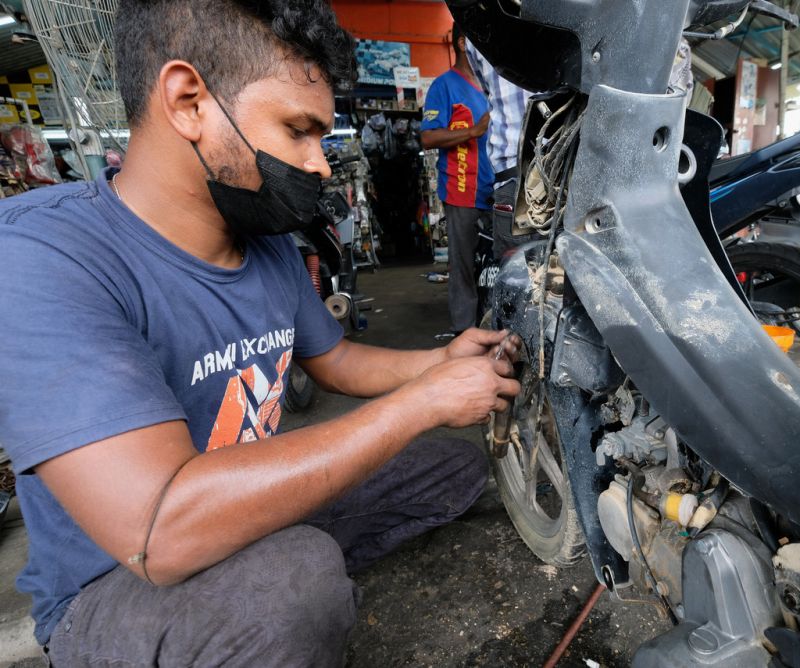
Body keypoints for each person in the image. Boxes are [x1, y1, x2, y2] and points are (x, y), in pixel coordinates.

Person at [0, 1, 520, 665]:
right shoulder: (44, 256)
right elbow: (156, 529)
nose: (322, 165)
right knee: (293, 583)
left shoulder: (263, 240)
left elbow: (335, 360)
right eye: (299, 130)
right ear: (189, 101)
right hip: (115, 582)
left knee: (456, 468)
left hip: (242, 510)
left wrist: (441, 363)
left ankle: (273, 588)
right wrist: (420, 404)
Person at [420, 25, 493, 336]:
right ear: (463, 43)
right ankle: (464, 333)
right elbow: (428, 136)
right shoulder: (443, 86)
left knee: (494, 267)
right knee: (462, 267)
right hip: (462, 191)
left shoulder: (491, 85)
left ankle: (492, 326)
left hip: (497, 190)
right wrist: (472, 132)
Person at [465, 40, 537, 258]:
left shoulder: (478, 29)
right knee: (566, 278)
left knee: (517, 279)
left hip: (512, 177)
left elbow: (486, 87)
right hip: (563, 175)